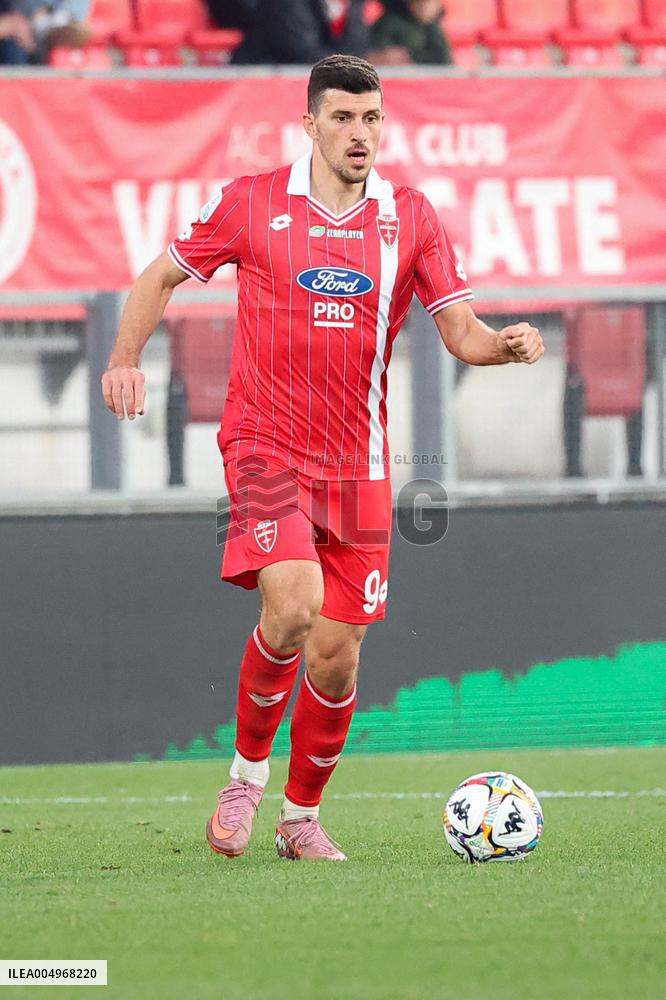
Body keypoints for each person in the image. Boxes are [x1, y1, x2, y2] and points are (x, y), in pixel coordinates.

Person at [101, 55, 544, 862]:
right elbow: (159, 275)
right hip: (265, 443)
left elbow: (461, 331)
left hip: (360, 466)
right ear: (309, 124)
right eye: (342, 118)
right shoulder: (251, 202)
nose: (360, 134)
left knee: (338, 658)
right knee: (294, 605)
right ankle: (244, 776)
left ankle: (300, 820)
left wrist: (504, 347)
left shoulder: (410, 217)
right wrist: (126, 356)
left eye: (372, 119)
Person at [226, 0, 369, 64]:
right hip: (261, 84)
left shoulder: (353, 4)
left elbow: (356, 44)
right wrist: (362, 63)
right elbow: (301, 48)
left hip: (311, 88)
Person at [369, 0, 453, 66]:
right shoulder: (391, 22)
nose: (425, 6)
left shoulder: (433, 26)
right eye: (420, 2)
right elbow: (381, 55)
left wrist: (411, 56)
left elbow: (444, 58)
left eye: (429, 2)